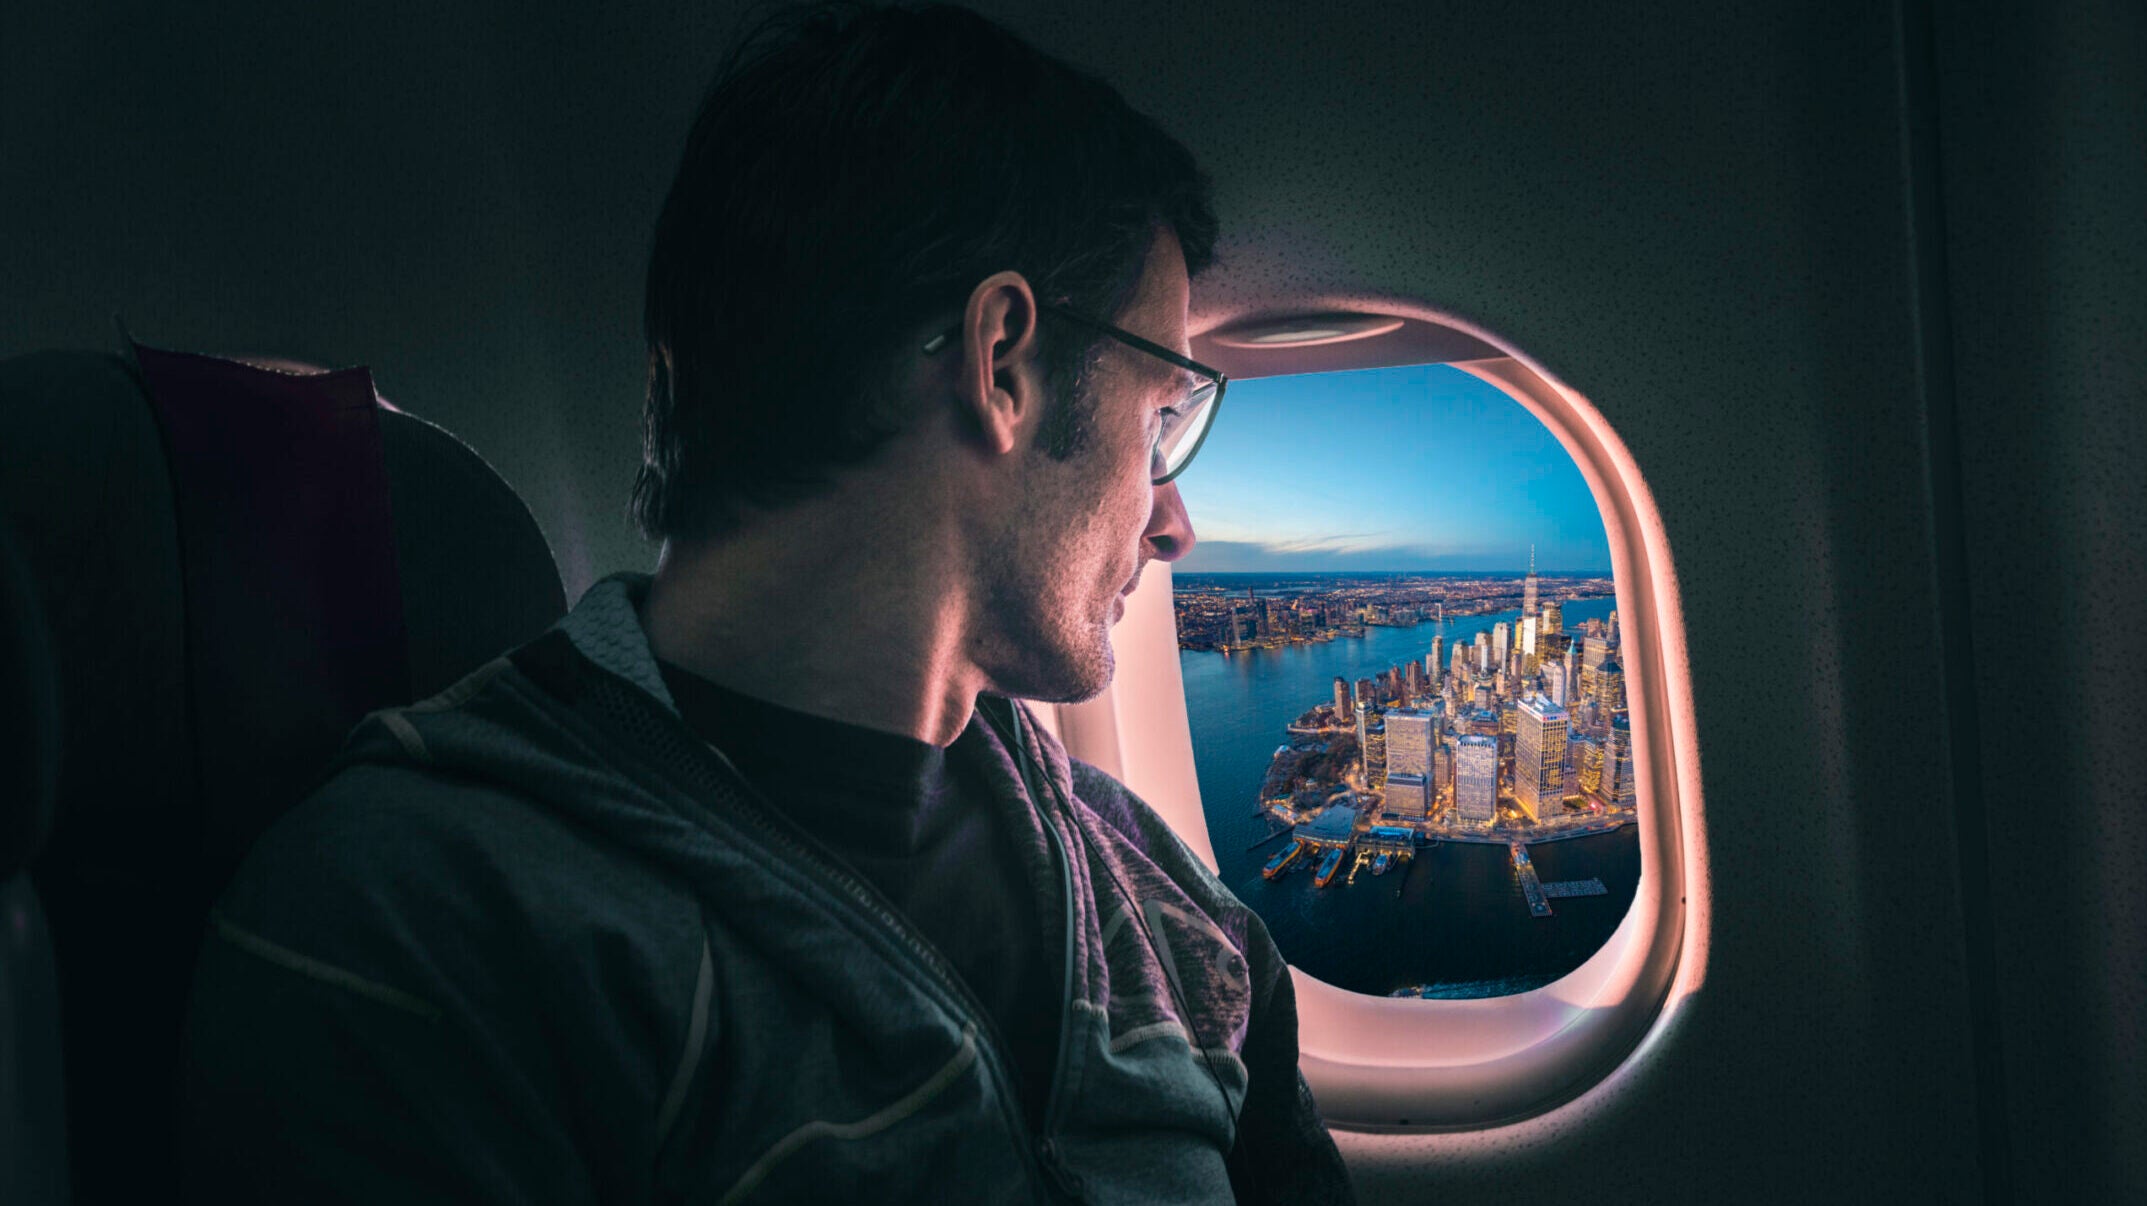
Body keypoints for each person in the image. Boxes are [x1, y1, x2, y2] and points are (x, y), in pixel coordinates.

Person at [181, 4, 1355, 1202]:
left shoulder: (1170, 906)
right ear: (1001, 361)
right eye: (1160, 417)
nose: (1174, 520)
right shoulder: (420, 934)